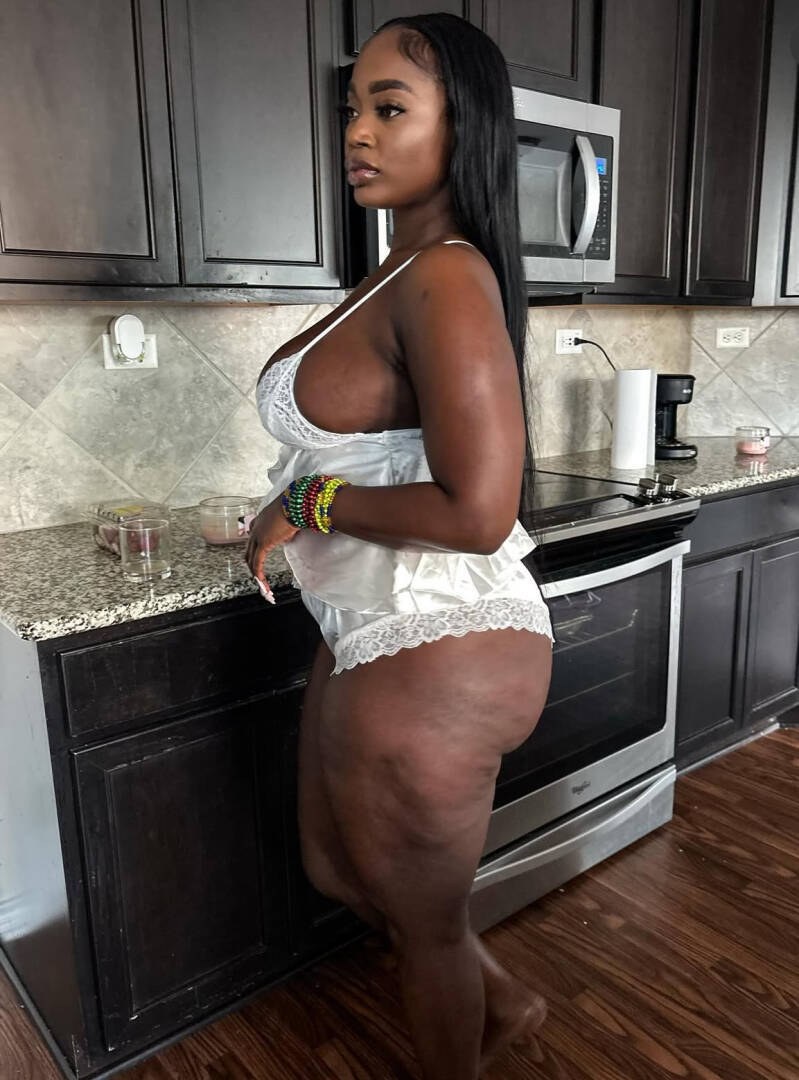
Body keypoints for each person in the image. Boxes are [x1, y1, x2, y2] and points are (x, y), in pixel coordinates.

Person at [246, 13, 554, 1079]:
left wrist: (309, 502)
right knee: (337, 871)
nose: (357, 133)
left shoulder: (445, 276)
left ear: (460, 127)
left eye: (389, 108)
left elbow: (479, 510)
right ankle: (503, 1005)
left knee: (423, 929)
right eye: (352, 110)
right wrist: (298, 504)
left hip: (436, 635)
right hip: (373, 622)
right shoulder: (400, 269)